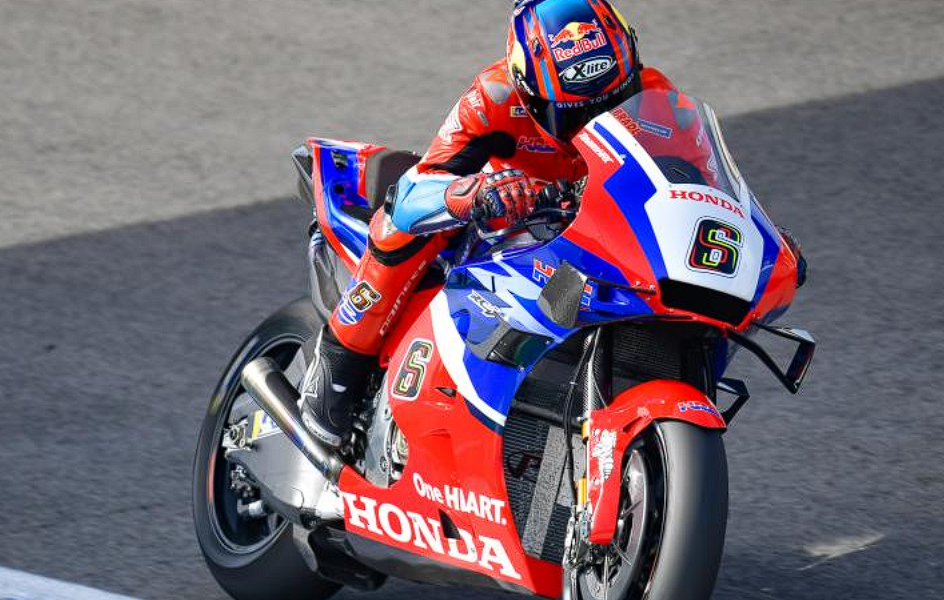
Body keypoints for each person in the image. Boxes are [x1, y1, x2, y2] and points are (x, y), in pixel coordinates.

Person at [299, 0, 803, 448]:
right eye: (574, 114)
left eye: (612, 100)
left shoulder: (658, 97)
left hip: (598, 236)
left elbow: (700, 187)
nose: (595, 120)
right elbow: (413, 192)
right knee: (403, 228)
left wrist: (760, 240)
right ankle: (338, 367)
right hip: (505, 225)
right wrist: (474, 193)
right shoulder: (493, 97)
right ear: (530, 93)